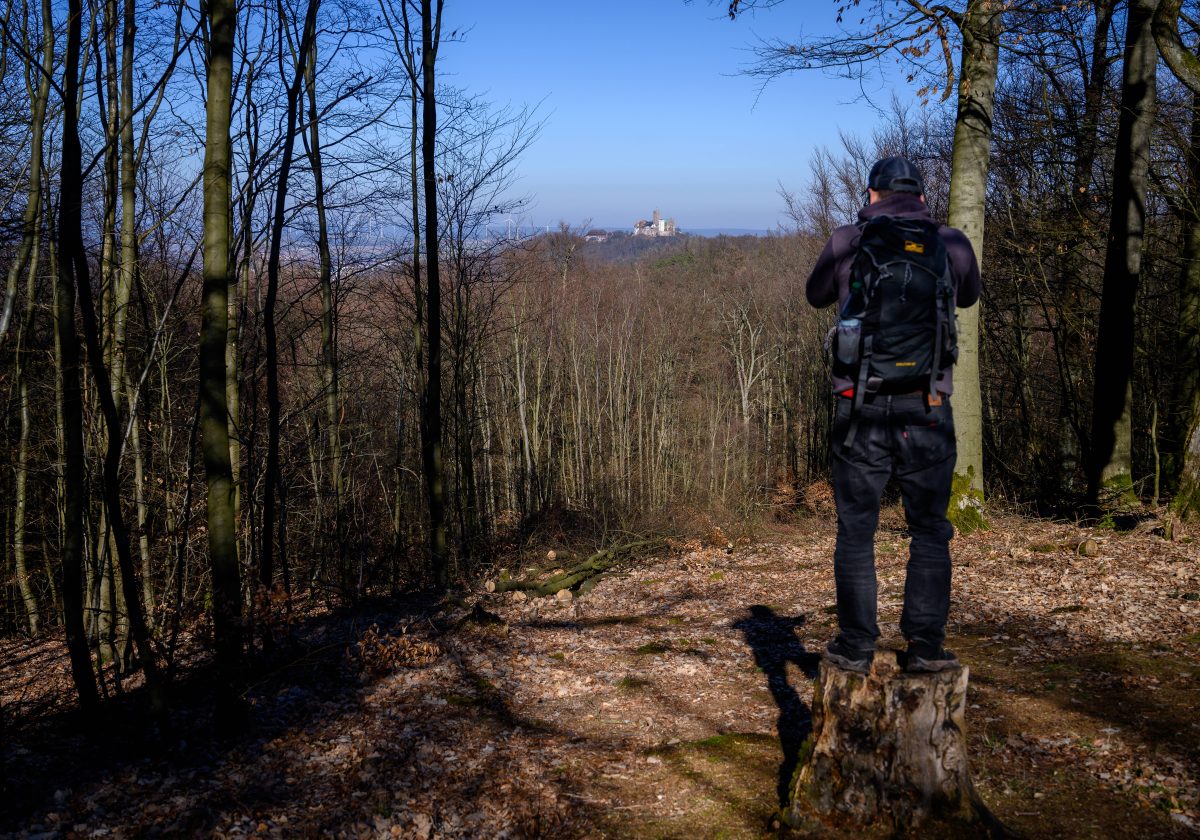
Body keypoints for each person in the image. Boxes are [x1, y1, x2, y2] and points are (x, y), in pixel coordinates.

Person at [805, 156, 981, 673]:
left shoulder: (848, 240)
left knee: (856, 529)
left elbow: (816, 296)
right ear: (923, 197)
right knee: (930, 528)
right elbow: (968, 298)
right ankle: (925, 647)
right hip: (927, 406)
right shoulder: (950, 243)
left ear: (872, 194)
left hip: (860, 407)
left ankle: (857, 646)